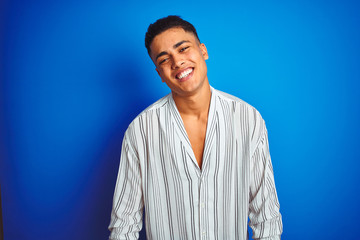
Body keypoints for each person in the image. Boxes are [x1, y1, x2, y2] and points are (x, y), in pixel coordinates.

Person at [108, 15, 282, 240]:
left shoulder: (248, 119)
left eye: (183, 49)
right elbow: (124, 223)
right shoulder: (140, 131)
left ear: (203, 51)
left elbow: (266, 215)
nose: (177, 62)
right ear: (160, 74)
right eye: (164, 59)